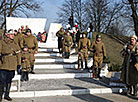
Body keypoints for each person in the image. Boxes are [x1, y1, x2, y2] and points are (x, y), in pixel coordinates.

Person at [0, 29, 21, 102]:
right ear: (7, 34)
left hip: (12, 64)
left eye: (13, 34)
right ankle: (0, 95)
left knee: (9, 80)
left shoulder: (15, 43)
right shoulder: (2, 42)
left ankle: (6, 95)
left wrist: (19, 64)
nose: (13, 35)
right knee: (2, 81)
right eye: (11, 34)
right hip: (4, 64)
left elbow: (18, 54)